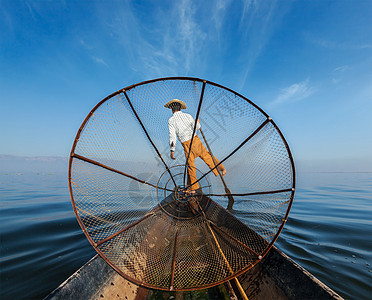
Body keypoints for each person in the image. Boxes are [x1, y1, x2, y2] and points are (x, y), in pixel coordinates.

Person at [165, 99, 226, 193]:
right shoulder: (188, 116)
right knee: (207, 156)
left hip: (186, 144)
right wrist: (197, 122)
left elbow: (172, 136)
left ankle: (193, 188)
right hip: (195, 140)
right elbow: (197, 127)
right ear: (180, 108)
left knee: (191, 166)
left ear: (172, 109)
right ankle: (221, 169)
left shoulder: (171, 120)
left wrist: (172, 150)